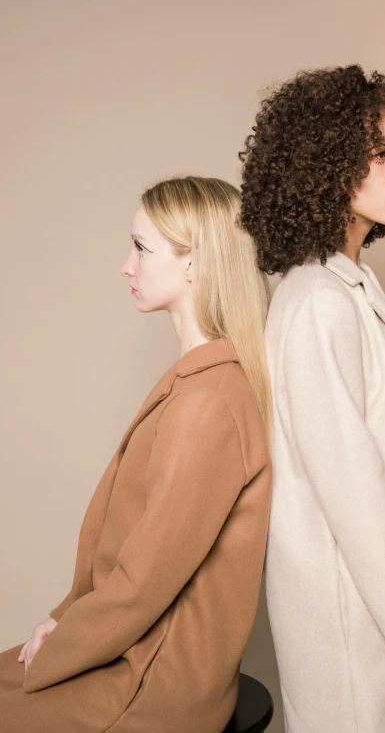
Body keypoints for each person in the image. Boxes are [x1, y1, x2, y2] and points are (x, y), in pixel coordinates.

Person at [0, 176, 272, 733]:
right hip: (130, 651)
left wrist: (59, 645)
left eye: (142, 248)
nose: (127, 265)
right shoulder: (198, 384)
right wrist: (61, 618)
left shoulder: (211, 401)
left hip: (151, 679)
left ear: (194, 263)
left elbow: (143, 585)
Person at [239, 65, 385, 733]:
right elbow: (352, 493)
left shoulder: (354, 285)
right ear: (322, 166)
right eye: (380, 154)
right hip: (357, 634)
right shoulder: (315, 304)